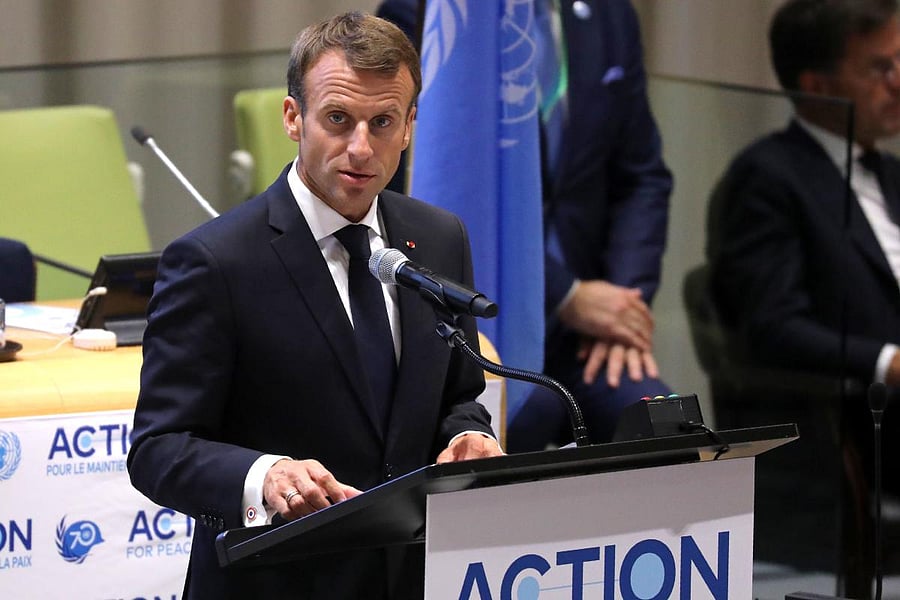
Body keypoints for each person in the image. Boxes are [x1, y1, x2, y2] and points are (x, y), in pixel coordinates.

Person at [126, 12, 502, 600]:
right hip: (279, 582)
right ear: (293, 117)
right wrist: (263, 476)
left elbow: (458, 396)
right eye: (337, 119)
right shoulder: (214, 261)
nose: (361, 147)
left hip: (415, 579)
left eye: (382, 122)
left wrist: (468, 437)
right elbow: (158, 449)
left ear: (409, 127)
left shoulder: (438, 238)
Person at [376, 0, 673, 449]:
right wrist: (569, 293)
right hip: (473, 321)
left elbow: (643, 175)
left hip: (587, 335)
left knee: (663, 423)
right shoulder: (428, 10)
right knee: (527, 415)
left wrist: (623, 313)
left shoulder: (609, 13)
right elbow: (433, 192)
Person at [708, 0, 900, 593]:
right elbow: (771, 327)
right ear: (818, 84)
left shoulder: (890, 173)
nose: (899, 83)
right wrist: (888, 362)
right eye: (879, 69)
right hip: (845, 434)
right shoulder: (768, 177)